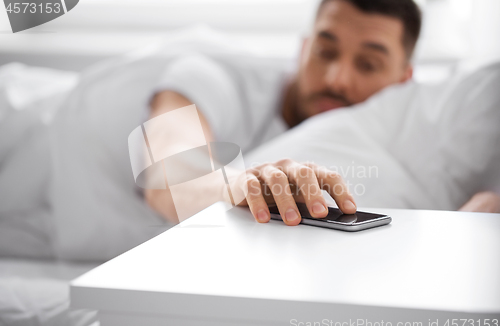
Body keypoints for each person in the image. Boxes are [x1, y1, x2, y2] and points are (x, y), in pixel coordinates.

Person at [145, 0, 499, 225]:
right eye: (325, 52)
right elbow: (169, 179)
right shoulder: (211, 74)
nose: (337, 79)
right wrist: (242, 184)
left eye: (368, 64)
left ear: (404, 81)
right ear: (302, 49)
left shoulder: (392, 132)